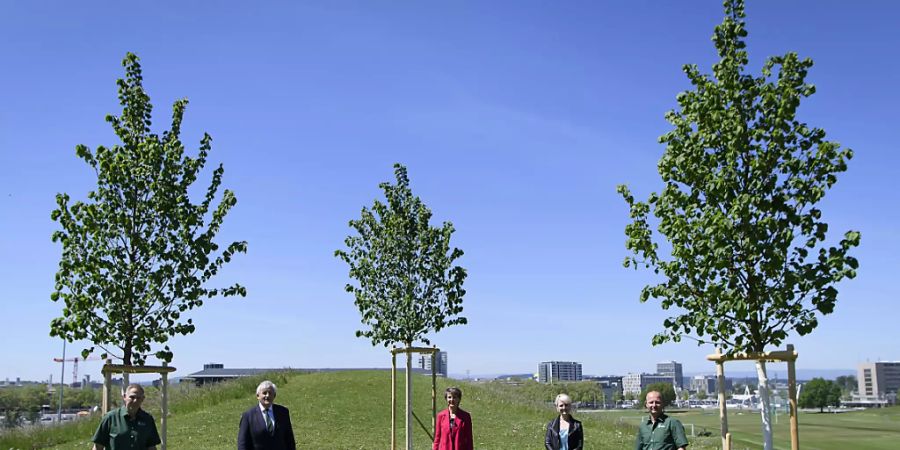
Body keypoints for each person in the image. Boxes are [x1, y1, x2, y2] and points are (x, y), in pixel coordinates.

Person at [92, 383, 161, 450]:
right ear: (125, 397)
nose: (135, 400)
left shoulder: (148, 419)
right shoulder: (110, 418)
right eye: (132, 397)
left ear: (143, 399)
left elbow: (151, 447)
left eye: (138, 398)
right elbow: (98, 446)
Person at [238, 380, 296, 450]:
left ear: (274, 396)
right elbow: (242, 443)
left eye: (270, 393)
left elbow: (289, 439)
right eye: (264, 393)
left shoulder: (283, 412)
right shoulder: (248, 416)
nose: (267, 395)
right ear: (258, 396)